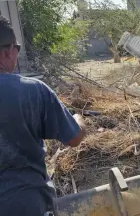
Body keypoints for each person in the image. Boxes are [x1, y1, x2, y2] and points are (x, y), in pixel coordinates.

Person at [0, 16, 87, 215]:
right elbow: (74, 138)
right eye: (17, 48)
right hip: (24, 203)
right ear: (7, 50)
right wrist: (79, 119)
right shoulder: (32, 90)